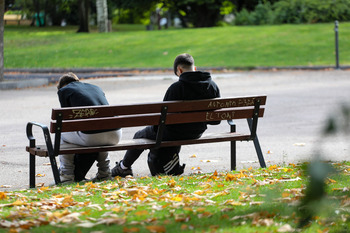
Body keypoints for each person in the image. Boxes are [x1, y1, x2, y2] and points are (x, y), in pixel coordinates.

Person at [111, 53, 220, 177]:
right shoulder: (212, 86)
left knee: (139, 135)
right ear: (194, 68)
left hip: (175, 133)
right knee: (167, 133)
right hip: (197, 132)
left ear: (179, 70)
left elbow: (165, 119)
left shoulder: (176, 88)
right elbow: (216, 121)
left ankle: (123, 167)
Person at [57, 72, 122, 183]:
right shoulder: (95, 87)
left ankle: (66, 175)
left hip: (92, 136)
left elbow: (67, 121)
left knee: (62, 132)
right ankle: (105, 172)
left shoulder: (64, 91)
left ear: (62, 85)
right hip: (116, 134)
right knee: (101, 128)